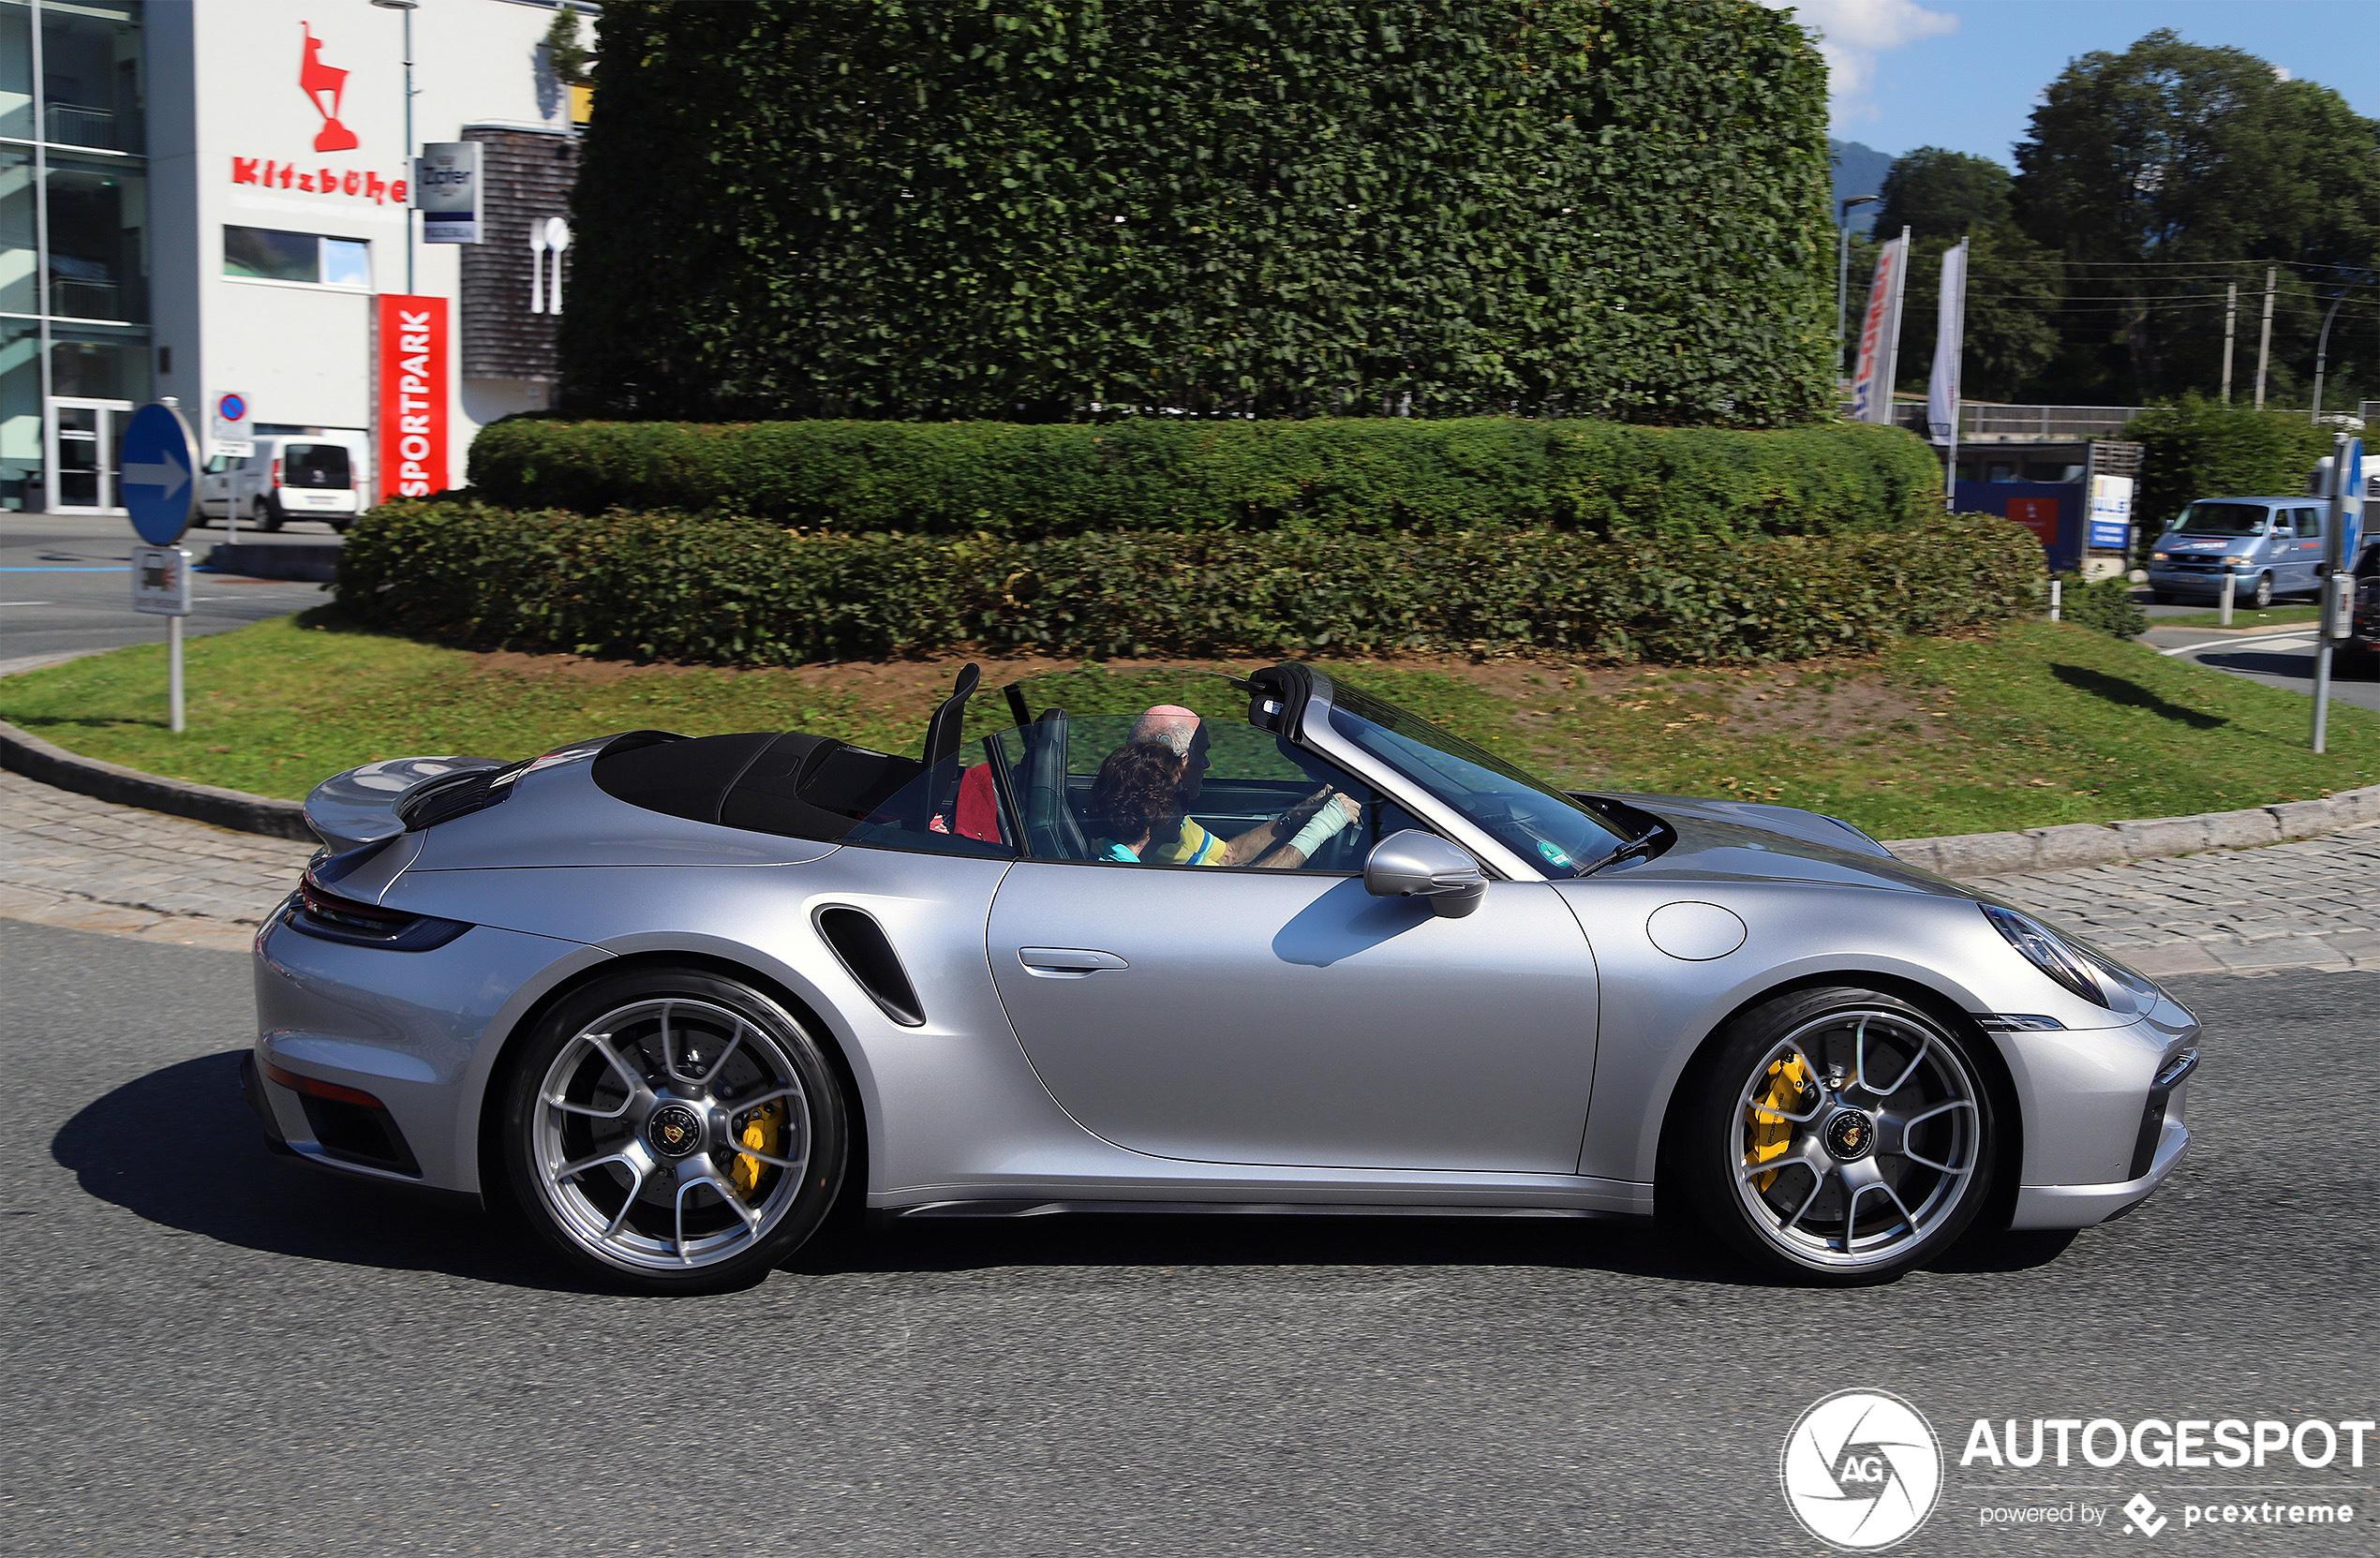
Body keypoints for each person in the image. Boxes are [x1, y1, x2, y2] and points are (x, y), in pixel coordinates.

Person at [1093, 705, 1361, 868]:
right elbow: (1240, 894)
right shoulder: (1151, 852)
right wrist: (1322, 826)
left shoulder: (1160, 819)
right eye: (1200, 753)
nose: (1206, 764)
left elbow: (1228, 856)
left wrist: (1305, 810)